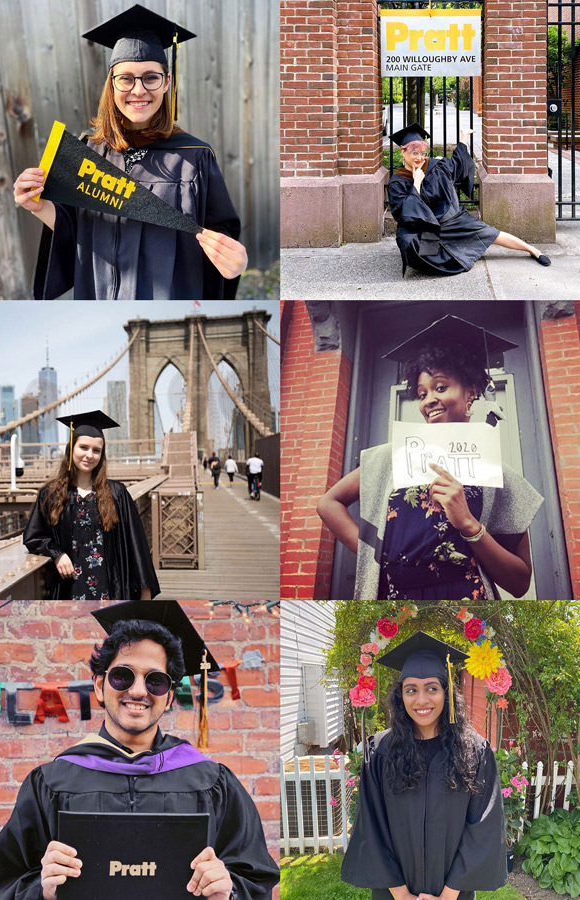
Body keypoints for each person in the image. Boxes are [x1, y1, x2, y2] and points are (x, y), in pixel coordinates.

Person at [0, 600, 280, 900]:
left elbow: (255, 880)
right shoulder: (51, 782)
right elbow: (0, 887)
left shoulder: (211, 782)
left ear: (169, 696)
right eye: (122, 676)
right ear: (99, 685)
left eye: (156, 681)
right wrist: (40, 891)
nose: (138, 690)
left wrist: (229, 892)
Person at [13, 4, 246, 300]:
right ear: (111, 84)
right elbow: (75, 229)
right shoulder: (88, 149)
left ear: (167, 83)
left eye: (151, 77)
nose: (138, 90)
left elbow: (222, 238)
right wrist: (39, 207)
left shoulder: (194, 157)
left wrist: (235, 263)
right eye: (126, 78)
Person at [317, 315, 543, 602]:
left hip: (469, 605)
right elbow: (328, 503)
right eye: (422, 393)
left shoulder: (494, 471)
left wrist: (471, 527)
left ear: (471, 392)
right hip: (395, 603)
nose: (428, 400)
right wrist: (375, 555)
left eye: (440, 387)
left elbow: (520, 582)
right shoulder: (394, 455)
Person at [342, 631, 507, 900]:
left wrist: (449, 895)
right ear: (400, 696)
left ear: (447, 693)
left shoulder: (474, 751)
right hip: (393, 893)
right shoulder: (381, 751)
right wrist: (403, 895)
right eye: (411, 690)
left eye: (432, 688)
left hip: (455, 893)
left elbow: (482, 826)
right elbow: (371, 826)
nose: (421, 700)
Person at [23, 411, 159, 602]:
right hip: (69, 591)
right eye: (83, 447)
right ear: (71, 449)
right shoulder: (51, 494)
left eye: (96, 450)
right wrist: (57, 554)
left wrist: (145, 594)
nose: (89, 455)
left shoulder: (117, 493)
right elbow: (34, 536)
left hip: (111, 591)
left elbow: (136, 546)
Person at [387, 124, 549, 276]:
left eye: (423, 153)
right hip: (424, 229)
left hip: (451, 221)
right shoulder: (397, 182)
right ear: (403, 151)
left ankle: (533, 250)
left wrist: (463, 138)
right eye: (414, 153)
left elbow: (458, 163)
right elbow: (404, 214)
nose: (419, 158)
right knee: (412, 246)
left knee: (490, 233)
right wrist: (416, 184)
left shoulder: (436, 166)